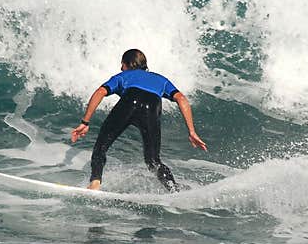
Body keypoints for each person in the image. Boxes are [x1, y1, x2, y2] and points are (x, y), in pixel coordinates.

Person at [70, 48, 207, 191]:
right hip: (152, 106)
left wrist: (85, 122)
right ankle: (174, 191)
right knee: (153, 160)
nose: (121, 68)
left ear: (128, 64)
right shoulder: (161, 80)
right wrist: (191, 131)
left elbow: (100, 92)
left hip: (130, 101)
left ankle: (95, 183)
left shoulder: (123, 76)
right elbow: (181, 98)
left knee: (101, 146)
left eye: (122, 64)